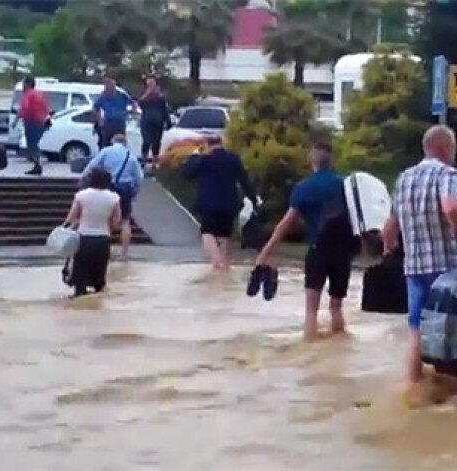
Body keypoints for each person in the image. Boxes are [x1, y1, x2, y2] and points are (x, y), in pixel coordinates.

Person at [381, 125, 457, 387]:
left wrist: (389, 249)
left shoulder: (404, 178)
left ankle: (414, 388)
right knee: (452, 329)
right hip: (448, 268)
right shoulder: (447, 173)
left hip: (415, 269)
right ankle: (451, 387)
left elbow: (389, 228)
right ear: (445, 148)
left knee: (416, 330)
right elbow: (451, 208)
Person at [255, 143, 352, 340]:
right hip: (343, 250)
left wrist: (264, 254)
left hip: (318, 248)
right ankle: (340, 351)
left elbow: (286, 224)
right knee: (336, 306)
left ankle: (309, 351)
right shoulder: (344, 184)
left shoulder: (304, 187)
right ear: (331, 160)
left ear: (312, 161)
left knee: (311, 310)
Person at [183, 141, 258, 270]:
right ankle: (225, 267)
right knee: (224, 235)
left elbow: (188, 173)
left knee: (207, 233)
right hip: (228, 205)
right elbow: (244, 180)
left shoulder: (205, 159)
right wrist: (254, 199)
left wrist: (193, 156)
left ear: (208, 145)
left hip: (209, 204)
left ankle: (216, 263)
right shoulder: (233, 159)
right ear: (222, 144)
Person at [81, 134, 144, 260]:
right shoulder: (130, 156)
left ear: (113, 141)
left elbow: (92, 166)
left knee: (107, 220)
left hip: (109, 187)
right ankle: (124, 253)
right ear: (125, 143)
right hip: (126, 188)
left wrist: (83, 179)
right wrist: (135, 191)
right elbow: (139, 177)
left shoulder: (106, 151)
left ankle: (106, 251)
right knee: (125, 221)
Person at [63, 167, 121, 297]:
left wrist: (64, 228)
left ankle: (80, 298)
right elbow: (116, 222)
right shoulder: (114, 198)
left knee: (80, 277)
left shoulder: (81, 195)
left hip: (83, 239)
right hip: (102, 240)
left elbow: (72, 217)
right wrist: (110, 231)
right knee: (99, 278)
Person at [17, 76, 50, 176]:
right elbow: (46, 107)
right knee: (35, 143)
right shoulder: (39, 94)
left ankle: (37, 164)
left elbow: (25, 108)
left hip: (32, 121)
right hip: (42, 121)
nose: (23, 86)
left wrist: (18, 117)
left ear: (27, 84)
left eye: (24, 83)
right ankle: (37, 164)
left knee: (32, 144)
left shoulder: (28, 94)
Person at [138, 76, 171, 167]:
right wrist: (147, 93)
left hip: (158, 122)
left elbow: (164, 110)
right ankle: (143, 161)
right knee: (146, 141)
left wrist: (167, 121)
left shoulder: (160, 97)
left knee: (156, 142)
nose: (151, 86)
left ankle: (155, 162)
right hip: (146, 122)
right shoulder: (143, 94)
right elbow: (140, 104)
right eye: (149, 84)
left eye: (152, 83)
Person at [93, 77, 134, 149]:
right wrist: (100, 120)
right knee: (106, 144)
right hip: (108, 123)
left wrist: (129, 112)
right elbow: (95, 108)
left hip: (120, 123)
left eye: (111, 86)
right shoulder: (102, 96)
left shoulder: (121, 95)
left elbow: (133, 104)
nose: (109, 88)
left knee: (120, 143)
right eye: (107, 86)